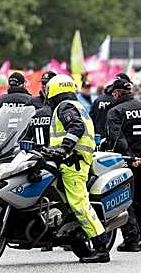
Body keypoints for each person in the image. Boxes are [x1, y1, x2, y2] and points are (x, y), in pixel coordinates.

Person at [44, 74, 109, 263]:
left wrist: (63, 148)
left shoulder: (65, 107)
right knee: (62, 201)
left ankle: (101, 248)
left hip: (72, 162)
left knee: (79, 205)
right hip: (71, 161)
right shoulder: (77, 105)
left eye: (49, 90)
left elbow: (76, 127)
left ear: (56, 89)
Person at [105, 78, 141, 252]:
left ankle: (131, 239)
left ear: (116, 93)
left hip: (126, 162)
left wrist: (131, 158)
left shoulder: (115, 111)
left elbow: (116, 139)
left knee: (125, 201)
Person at [90, 73, 131, 142]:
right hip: (116, 141)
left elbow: (91, 118)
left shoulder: (98, 100)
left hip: (99, 139)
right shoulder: (121, 101)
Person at [26, 71, 56, 146]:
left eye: (47, 83)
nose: (44, 86)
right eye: (43, 83)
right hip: (37, 149)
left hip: (55, 147)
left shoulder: (60, 102)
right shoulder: (32, 102)